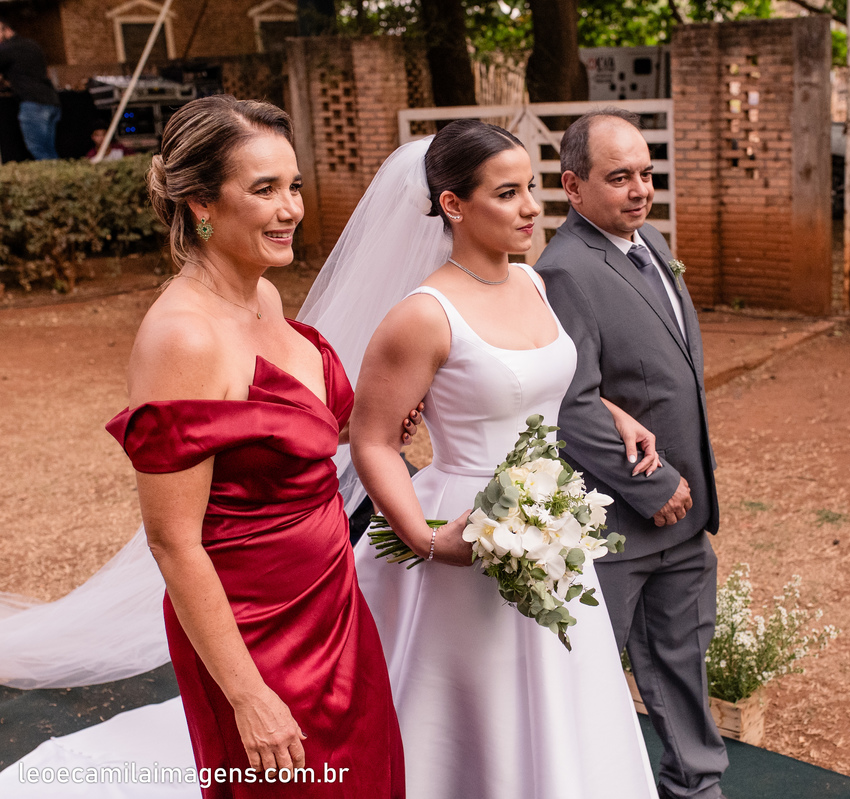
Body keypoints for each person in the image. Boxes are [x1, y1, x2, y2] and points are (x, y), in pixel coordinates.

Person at [320, 119, 658, 799]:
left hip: (553, 523)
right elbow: (372, 439)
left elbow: (534, 383)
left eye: (531, 188)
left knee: (563, 698)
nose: (531, 207)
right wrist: (425, 538)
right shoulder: (423, 315)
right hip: (467, 529)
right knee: (477, 712)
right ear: (453, 204)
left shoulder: (532, 283)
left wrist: (611, 412)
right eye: (507, 194)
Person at [105, 95, 403, 797]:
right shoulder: (184, 338)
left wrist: (374, 421)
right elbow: (172, 541)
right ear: (201, 204)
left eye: (293, 186)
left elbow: (275, 436)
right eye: (264, 189)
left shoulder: (262, 297)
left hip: (332, 603)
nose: (290, 208)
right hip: (255, 634)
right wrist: (247, 694)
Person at [534, 108, 729, 799]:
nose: (640, 189)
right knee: (590, 681)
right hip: (618, 524)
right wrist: (652, 486)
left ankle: (697, 788)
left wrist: (688, 486)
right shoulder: (563, 272)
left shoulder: (652, 241)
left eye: (646, 173)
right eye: (619, 177)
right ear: (573, 186)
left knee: (684, 665)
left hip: (685, 515)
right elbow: (569, 401)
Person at [0, 17, 61, 160]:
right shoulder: (32, 45)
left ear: (6, 30)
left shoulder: (8, 48)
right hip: (51, 102)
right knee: (49, 151)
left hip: (33, 104)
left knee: (38, 150)